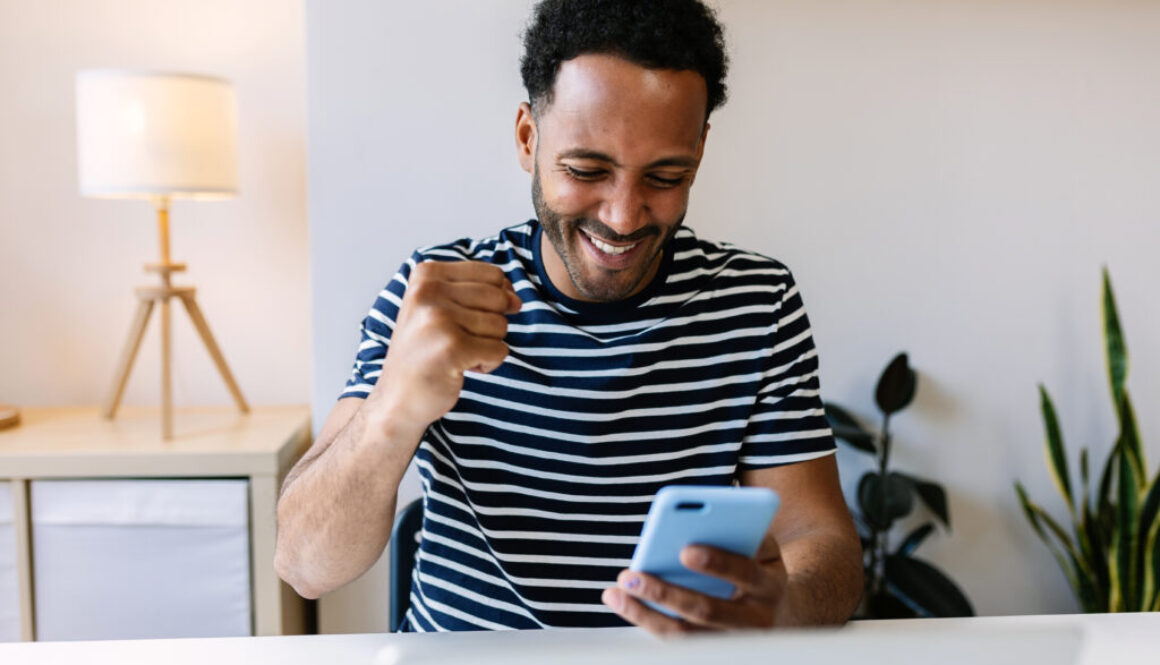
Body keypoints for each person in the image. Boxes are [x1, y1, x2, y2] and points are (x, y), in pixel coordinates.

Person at [275, 0, 862, 635]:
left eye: (666, 176)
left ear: (700, 148)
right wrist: (393, 406)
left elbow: (818, 538)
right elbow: (306, 566)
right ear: (528, 138)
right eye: (587, 170)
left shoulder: (755, 302)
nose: (623, 215)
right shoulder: (436, 294)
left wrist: (789, 604)